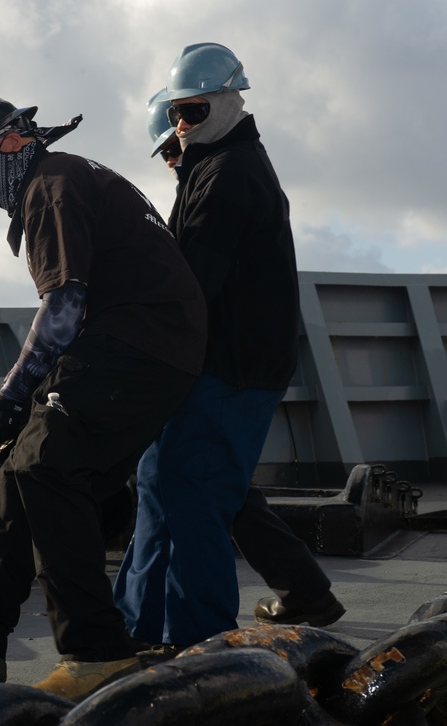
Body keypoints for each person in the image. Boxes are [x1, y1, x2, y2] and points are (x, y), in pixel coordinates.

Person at [0, 94, 207, 701]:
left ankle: (96, 652)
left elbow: (64, 304)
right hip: (152, 351)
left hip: (134, 348)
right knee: (21, 475)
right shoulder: (69, 177)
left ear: (14, 141)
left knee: (45, 469)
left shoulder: (50, 185)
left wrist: (13, 396)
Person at [113, 43, 331, 650]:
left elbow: (191, 285)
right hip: (208, 368)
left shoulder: (230, 175)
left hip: (230, 372)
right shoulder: (212, 168)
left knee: (194, 502)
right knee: (161, 491)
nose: (181, 128)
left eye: (192, 113)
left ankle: (197, 643)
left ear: (229, 101)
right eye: (177, 116)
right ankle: (135, 631)